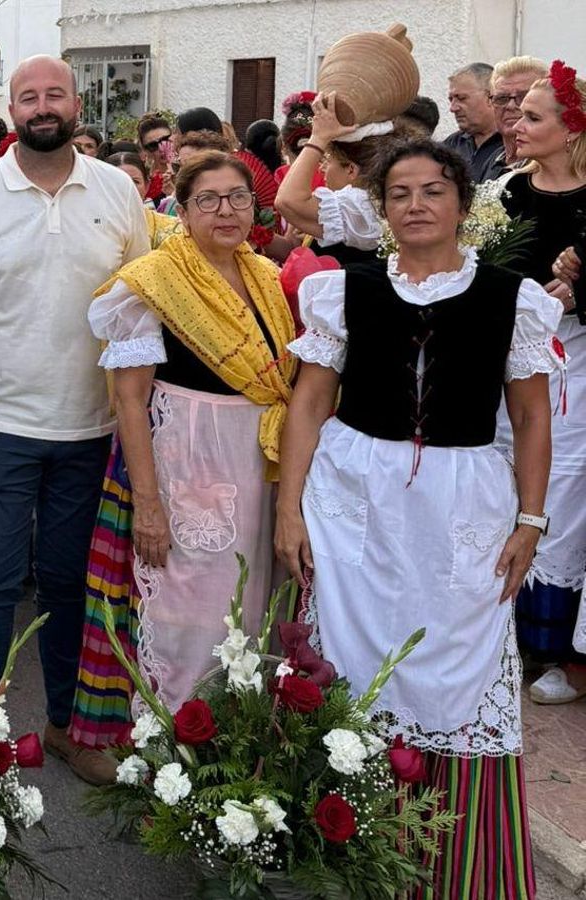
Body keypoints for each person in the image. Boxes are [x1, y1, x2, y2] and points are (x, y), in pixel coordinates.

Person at [278, 139, 559, 900]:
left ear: (463, 206)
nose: (416, 205)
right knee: (350, 664)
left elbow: (532, 418)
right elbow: (309, 401)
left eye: (433, 190)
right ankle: (344, 862)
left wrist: (531, 521)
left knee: (457, 666)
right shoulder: (344, 289)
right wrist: (289, 507)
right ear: (381, 209)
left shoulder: (514, 298)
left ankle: (454, 870)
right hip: (353, 495)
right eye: (399, 193)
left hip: (463, 503)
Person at [0, 55, 148, 782]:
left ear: (76, 105)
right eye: (28, 96)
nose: (42, 106)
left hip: (91, 427)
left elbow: (139, 308)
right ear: (11, 106)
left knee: (70, 586)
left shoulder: (118, 190)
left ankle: (69, 727)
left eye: (54, 94)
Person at [78, 150, 295, 752]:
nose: (225, 211)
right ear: (181, 207)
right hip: (188, 460)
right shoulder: (155, 283)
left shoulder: (267, 279)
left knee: (251, 606)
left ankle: (238, 747)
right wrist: (147, 502)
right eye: (208, 199)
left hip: (257, 463)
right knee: (190, 609)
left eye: (238, 198)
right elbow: (130, 401)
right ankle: (175, 752)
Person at [501, 60, 586, 705]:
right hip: (507, 369)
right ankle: (496, 629)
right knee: (503, 483)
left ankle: (547, 648)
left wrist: (579, 291)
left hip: (576, 368)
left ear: (572, 127)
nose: (516, 124)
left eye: (532, 116)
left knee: (562, 491)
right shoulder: (502, 194)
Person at [274, 92, 384, 266]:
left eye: (328, 160)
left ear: (350, 170)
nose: (322, 167)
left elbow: (286, 201)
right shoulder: (355, 203)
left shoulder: (360, 205)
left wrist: (319, 137)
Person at [445, 63, 507, 183]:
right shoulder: (452, 144)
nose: (453, 108)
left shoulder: (513, 145)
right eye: (451, 99)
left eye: (461, 98)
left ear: (490, 97)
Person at [108, 152, 181, 248]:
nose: (128, 187)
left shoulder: (171, 228)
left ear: (147, 186)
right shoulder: (89, 226)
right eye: (117, 181)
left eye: (135, 181)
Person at [492, 57, 551, 166]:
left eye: (524, 97)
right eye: (502, 98)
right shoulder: (492, 160)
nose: (510, 106)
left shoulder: (554, 170)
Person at [136, 112, 175, 202]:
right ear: (145, 150)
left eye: (165, 140)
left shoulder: (189, 170)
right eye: (153, 145)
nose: (161, 148)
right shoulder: (144, 181)